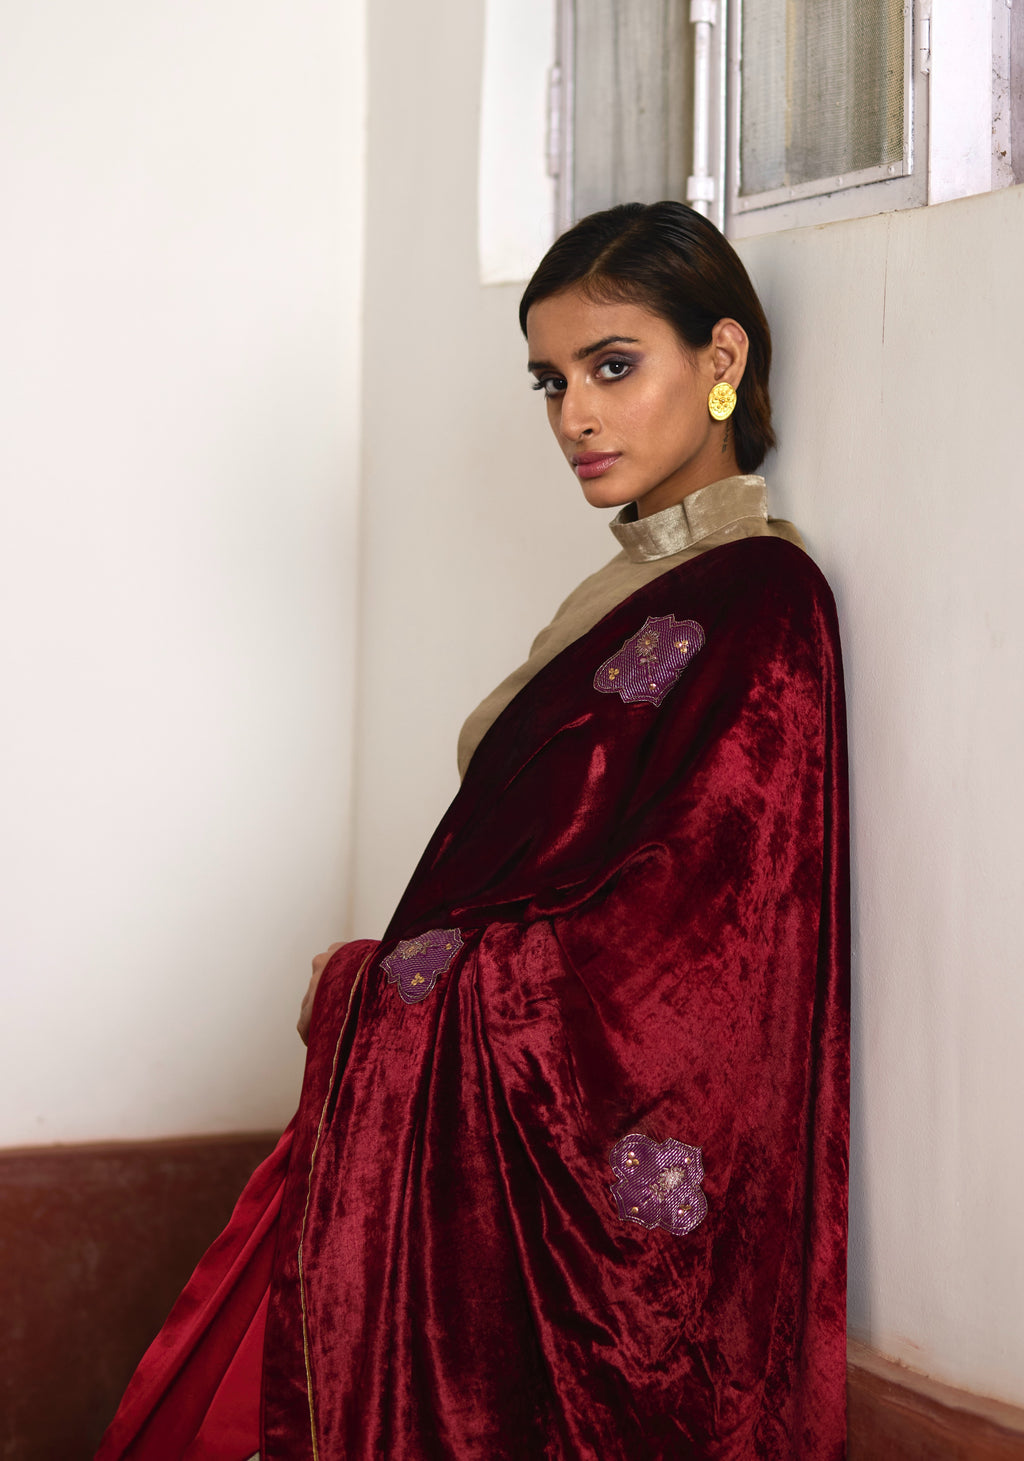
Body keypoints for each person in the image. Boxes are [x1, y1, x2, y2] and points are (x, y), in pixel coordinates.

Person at [97, 202, 849, 1460]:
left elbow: (688, 941)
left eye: (614, 368)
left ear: (720, 362)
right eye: (551, 381)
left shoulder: (761, 598)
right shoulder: (625, 595)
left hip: (548, 1162)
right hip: (438, 1118)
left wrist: (379, 990)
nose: (574, 418)